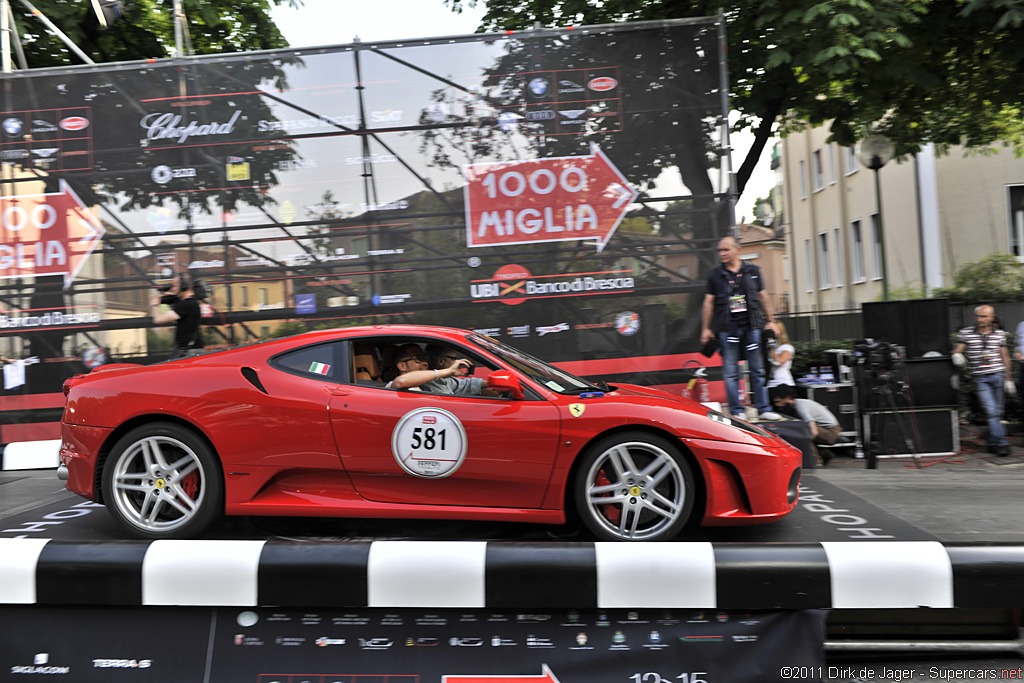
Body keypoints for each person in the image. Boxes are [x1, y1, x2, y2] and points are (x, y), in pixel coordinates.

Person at [700, 235, 782, 421]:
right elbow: (708, 302)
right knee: (730, 372)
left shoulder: (752, 271)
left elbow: (764, 296)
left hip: (751, 326)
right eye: (720, 250)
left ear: (738, 250)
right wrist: (705, 328)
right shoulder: (715, 275)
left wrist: (771, 320)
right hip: (727, 328)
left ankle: (763, 409)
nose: (722, 254)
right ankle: (737, 410)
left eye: (726, 250)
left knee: (757, 369)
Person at [953, 304, 1016, 456]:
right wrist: (957, 355)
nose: (980, 319)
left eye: (984, 316)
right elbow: (957, 350)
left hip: (998, 376)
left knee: (997, 413)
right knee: (992, 412)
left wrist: (1008, 379)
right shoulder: (966, 333)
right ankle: (1002, 443)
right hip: (981, 378)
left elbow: (1005, 357)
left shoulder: (999, 334)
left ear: (991, 318)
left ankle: (992, 443)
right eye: (978, 316)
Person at [772, 384, 843, 465]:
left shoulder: (801, 406)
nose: (777, 405)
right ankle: (823, 453)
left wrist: (805, 442)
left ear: (788, 398)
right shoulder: (797, 404)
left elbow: (814, 432)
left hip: (832, 432)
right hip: (826, 429)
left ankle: (815, 461)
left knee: (804, 431)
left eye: (778, 402)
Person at [387, 343, 489, 395]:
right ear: (402, 366)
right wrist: (449, 371)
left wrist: (492, 383)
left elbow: (466, 384)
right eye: (418, 359)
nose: (425, 362)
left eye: (424, 358)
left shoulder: (430, 382)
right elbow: (402, 381)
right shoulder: (390, 389)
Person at [150, 273, 203, 359]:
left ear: (184, 287)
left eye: (175, 286)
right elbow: (178, 312)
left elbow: (159, 319)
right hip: (186, 349)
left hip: (190, 352)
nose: (172, 289)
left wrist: (154, 305)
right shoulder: (189, 302)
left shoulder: (187, 304)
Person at [766, 320, 795, 399]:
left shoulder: (786, 347)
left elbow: (780, 361)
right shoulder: (769, 347)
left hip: (783, 383)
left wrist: (771, 348)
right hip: (770, 384)